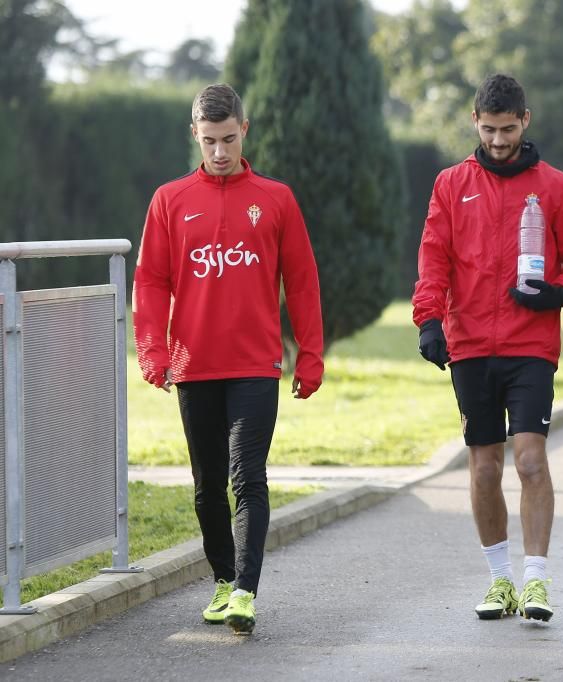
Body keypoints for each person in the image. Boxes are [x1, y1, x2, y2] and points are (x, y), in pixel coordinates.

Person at [132, 83, 324, 635]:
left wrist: (310, 356)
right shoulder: (170, 200)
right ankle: (222, 578)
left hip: (255, 364)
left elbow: (303, 282)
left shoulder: (277, 198)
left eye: (229, 139)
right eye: (210, 140)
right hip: (194, 364)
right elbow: (151, 282)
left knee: (249, 478)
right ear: (195, 134)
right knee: (206, 484)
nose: (220, 151)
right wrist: (153, 351)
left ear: (245, 130)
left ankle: (244, 589)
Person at [412, 74, 563, 622]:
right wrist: (429, 321)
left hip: (530, 344)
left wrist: (560, 293)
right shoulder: (451, 184)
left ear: (526, 120)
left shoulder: (555, 186)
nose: (499, 140)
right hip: (469, 344)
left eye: (508, 128)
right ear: (475, 121)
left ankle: (537, 581)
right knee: (483, 467)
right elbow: (433, 258)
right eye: (489, 129)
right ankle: (501, 582)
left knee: (531, 460)